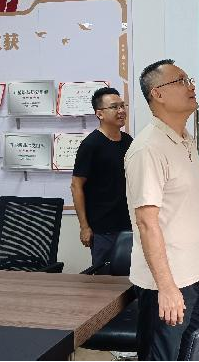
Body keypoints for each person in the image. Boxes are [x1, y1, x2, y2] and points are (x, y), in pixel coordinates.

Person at [125, 59, 199, 361]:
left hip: (198, 275)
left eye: (189, 80)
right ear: (158, 94)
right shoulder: (148, 149)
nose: (191, 86)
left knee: (193, 354)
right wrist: (166, 287)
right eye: (181, 81)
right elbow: (146, 223)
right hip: (168, 284)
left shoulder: (185, 140)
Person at [71, 87, 133, 267]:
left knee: (132, 277)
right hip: (102, 228)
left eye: (122, 106)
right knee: (104, 278)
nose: (121, 111)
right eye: (114, 107)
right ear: (100, 114)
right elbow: (76, 186)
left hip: (129, 224)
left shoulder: (128, 141)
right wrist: (84, 227)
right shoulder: (91, 145)